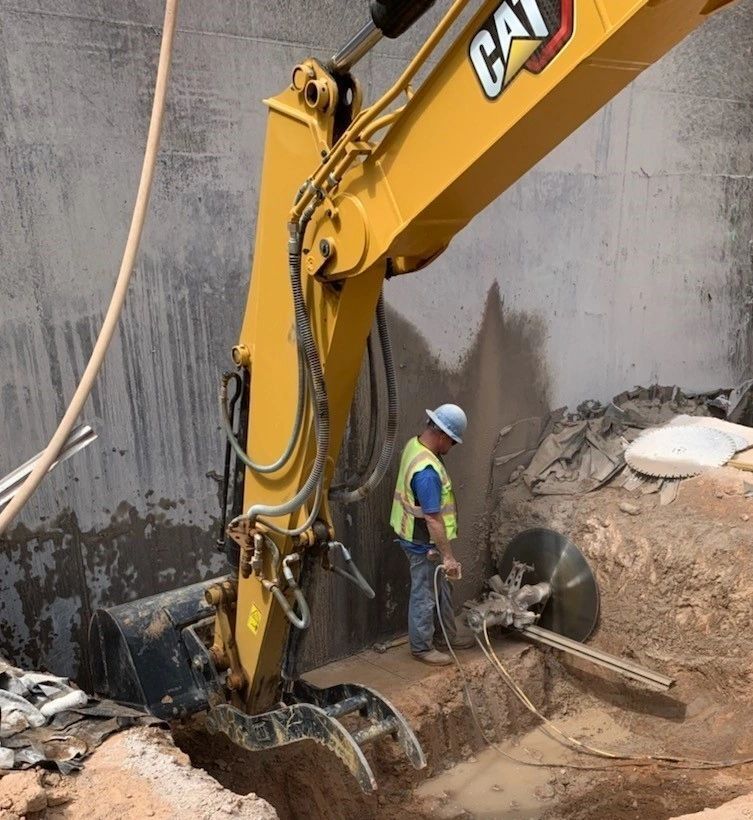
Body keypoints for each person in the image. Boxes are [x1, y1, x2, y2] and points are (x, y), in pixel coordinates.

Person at [390, 403, 474, 665]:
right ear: (443, 436)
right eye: (453, 442)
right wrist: (447, 556)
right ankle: (422, 647)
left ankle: (446, 635)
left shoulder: (416, 445)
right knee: (424, 594)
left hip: (422, 538)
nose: (452, 448)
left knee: (442, 587)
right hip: (422, 542)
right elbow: (433, 518)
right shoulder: (427, 472)